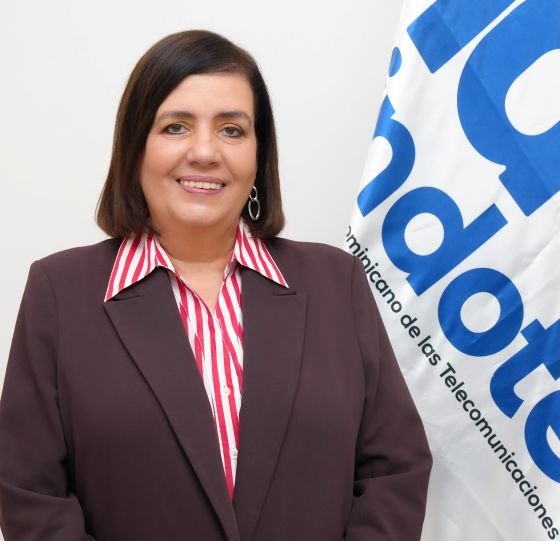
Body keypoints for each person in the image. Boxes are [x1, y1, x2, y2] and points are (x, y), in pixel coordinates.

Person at [0, 30, 431, 541]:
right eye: (176, 126)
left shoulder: (338, 283)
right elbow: (30, 495)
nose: (205, 152)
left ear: (258, 154)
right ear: (135, 146)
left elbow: (394, 471)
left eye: (231, 130)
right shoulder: (58, 292)